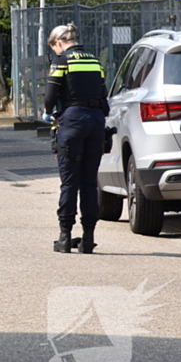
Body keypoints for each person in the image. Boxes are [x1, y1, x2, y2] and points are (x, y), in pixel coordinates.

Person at [42, 23, 108, 254]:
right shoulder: (94, 60)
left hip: (72, 123)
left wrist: (49, 110)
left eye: (54, 48)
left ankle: (64, 237)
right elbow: (103, 94)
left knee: (70, 182)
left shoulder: (62, 60)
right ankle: (88, 238)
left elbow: (51, 95)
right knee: (89, 182)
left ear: (57, 42)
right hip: (96, 123)